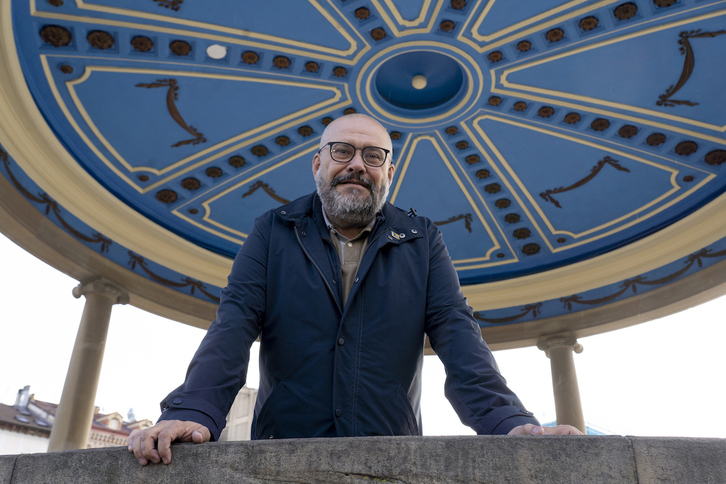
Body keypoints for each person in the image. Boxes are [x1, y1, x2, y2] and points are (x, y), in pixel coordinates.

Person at [128, 114, 581, 466]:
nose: (356, 165)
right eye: (342, 151)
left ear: (389, 172)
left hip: (393, 460)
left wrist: (509, 424)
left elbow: (457, 334)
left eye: (373, 156)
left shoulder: (423, 240)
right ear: (318, 164)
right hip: (280, 456)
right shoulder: (272, 231)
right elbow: (234, 323)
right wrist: (194, 412)